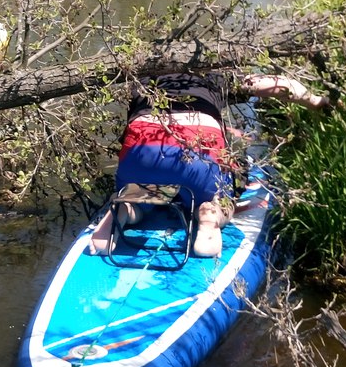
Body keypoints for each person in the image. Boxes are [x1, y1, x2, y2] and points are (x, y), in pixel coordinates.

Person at [89, 72, 332, 258]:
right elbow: (281, 85)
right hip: (197, 149)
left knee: (137, 188)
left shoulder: (142, 74)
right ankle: (210, 214)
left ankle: (126, 208)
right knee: (222, 192)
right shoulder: (215, 76)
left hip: (141, 147)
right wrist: (318, 102)